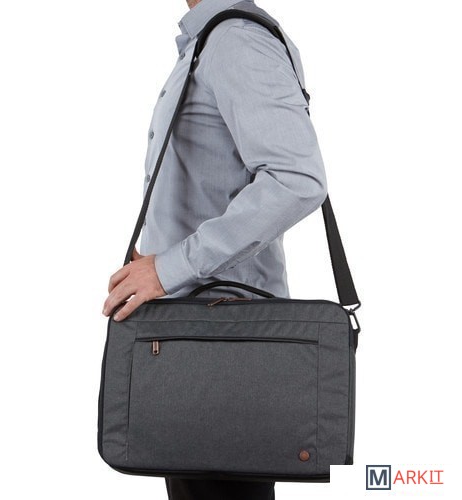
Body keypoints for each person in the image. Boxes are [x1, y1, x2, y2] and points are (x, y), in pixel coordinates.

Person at [103, 0, 327, 498]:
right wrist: (158, 256)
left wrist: (169, 268)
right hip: (198, 336)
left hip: (221, 344)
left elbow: (297, 180)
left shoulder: (237, 43)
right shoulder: (212, 42)